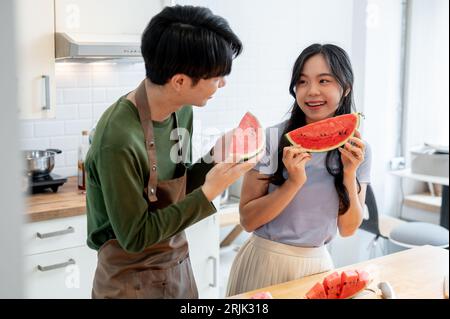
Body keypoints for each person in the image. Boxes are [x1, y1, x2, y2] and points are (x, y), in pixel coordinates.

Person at [85, 5, 255, 299]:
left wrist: (216, 155)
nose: (222, 83)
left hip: (177, 271)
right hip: (127, 283)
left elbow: (180, 185)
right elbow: (135, 237)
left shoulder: (183, 110)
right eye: (216, 76)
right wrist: (209, 193)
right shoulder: (118, 138)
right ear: (179, 82)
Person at [226, 43, 372, 296]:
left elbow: (348, 229)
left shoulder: (359, 150)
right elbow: (248, 220)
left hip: (316, 266)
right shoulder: (271, 139)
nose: (312, 91)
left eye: (324, 81)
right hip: (264, 261)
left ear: (346, 87)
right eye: (302, 82)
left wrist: (349, 174)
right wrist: (293, 183)